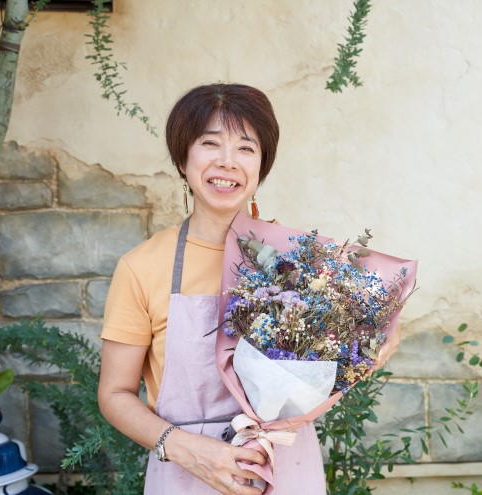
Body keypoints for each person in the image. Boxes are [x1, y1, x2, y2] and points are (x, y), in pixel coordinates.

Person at [98, 83, 399, 495]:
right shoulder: (141, 266)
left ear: (261, 166)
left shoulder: (298, 259)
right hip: (188, 473)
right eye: (209, 144)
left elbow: (357, 327)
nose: (227, 162)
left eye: (245, 147)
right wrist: (186, 450)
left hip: (285, 465)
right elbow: (114, 394)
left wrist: (379, 334)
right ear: (183, 159)